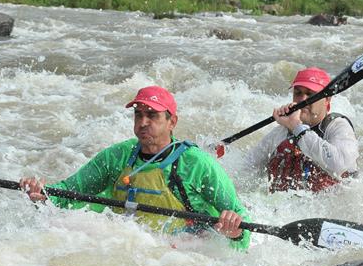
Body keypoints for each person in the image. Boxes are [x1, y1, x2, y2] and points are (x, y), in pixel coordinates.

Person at [20, 86, 250, 249]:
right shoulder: (117, 156)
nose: (142, 122)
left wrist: (235, 231)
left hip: (188, 246)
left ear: (172, 122)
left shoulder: (197, 163)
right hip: (131, 245)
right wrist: (43, 194)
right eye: (138, 115)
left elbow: (241, 224)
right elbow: (68, 192)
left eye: (152, 115)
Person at [247, 67, 358, 192]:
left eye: (310, 94)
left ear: (327, 99)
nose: (302, 99)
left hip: (335, 199)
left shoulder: (338, 126)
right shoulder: (283, 131)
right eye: (298, 93)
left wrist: (298, 128)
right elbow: (248, 166)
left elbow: (339, 165)